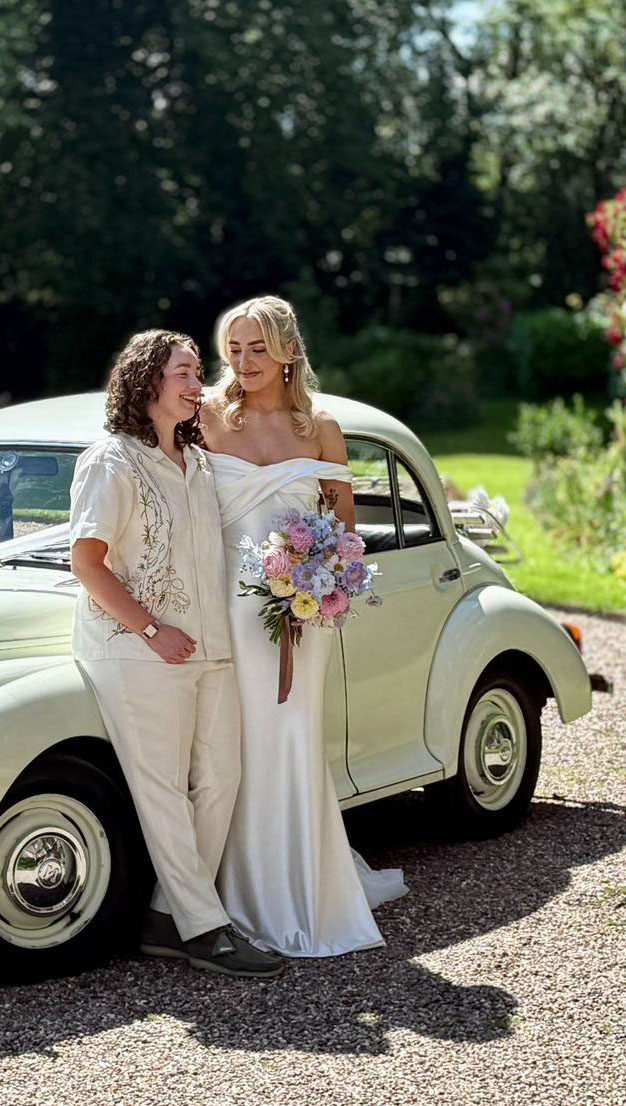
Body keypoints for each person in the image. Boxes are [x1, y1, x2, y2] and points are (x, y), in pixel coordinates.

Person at [70, 329, 283, 978]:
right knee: (161, 789)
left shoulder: (196, 462)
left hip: (209, 644)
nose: (198, 385)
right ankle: (206, 929)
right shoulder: (112, 460)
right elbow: (86, 560)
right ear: (147, 381)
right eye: (184, 374)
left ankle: (167, 916)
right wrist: (149, 628)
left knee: (221, 779)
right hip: (136, 650)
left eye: (197, 373)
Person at [201, 295, 409, 957]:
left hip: (302, 611)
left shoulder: (320, 427)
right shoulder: (206, 415)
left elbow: (344, 528)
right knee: (236, 743)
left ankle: (306, 891)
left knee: (291, 737)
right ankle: (230, 891)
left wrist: (321, 580)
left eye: (257, 347)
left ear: (288, 350)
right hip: (227, 609)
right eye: (234, 348)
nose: (243, 361)